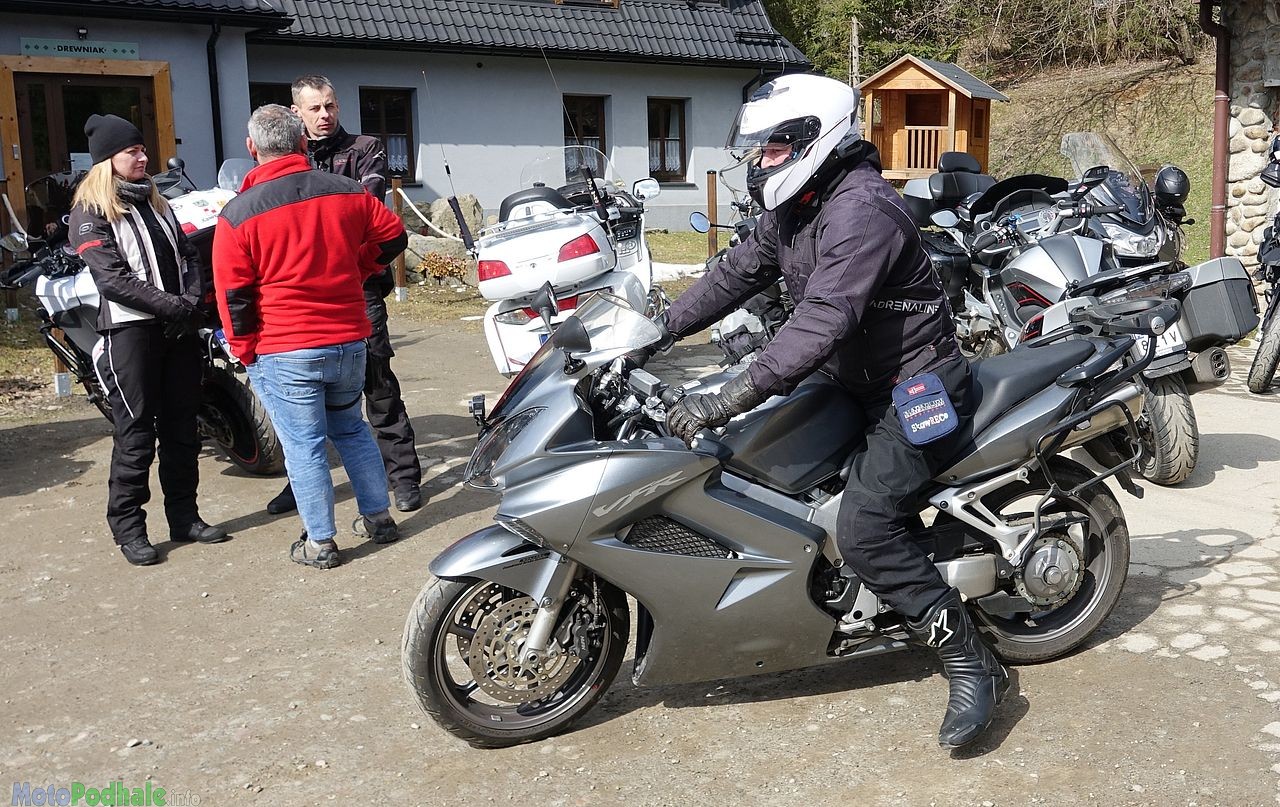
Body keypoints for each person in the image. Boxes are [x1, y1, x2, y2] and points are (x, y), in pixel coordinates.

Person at [654, 74, 1006, 749]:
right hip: (848, 378)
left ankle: (972, 661)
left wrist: (728, 395)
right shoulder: (799, 204)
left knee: (864, 525)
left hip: (913, 385)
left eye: (772, 148)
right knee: (759, 466)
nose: (760, 161)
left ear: (813, 141)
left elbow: (823, 319)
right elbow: (736, 272)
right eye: (757, 149)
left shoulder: (862, 210)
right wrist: (660, 328)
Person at [212, 105, 409, 569]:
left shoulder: (238, 213)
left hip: (286, 347)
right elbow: (394, 237)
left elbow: (233, 296)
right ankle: (379, 518)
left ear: (251, 148)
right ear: (303, 142)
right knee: (352, 429)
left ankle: (321, 542)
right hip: (348, 339)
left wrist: (243, 351)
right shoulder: (348, 191)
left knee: (304, 446)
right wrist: (360, 268)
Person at [254, 73, 423, 518]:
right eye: (315, 108)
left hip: (357, 286)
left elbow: (367, 208)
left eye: (330, 105)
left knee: (377, 378)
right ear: (297, 112)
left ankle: (403, 475)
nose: (325, 115)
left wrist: (357, 264)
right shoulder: (287, 157)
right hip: (300, 294)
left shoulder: (364, 149)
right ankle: (301, 484)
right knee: (300, 400)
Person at [68, 114, 229, 566]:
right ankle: (129, 529)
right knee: (136, 433)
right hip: (130, 334)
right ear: (107, 160)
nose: (142, 158)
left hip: (177, 330)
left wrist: (191, 303)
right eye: (132, 152)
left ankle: (185, 518)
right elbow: (112, 280)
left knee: (183, 428)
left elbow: (189, 256)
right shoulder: (90, 212)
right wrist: (173, 307)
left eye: (142, 150)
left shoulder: (157, 202)